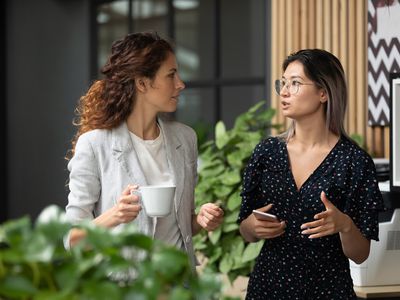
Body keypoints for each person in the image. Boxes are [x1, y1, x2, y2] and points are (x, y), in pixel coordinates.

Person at [65, 32, 224, 271]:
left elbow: (181, 226)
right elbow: (72, 239)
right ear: (141, 83)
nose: (181, 83)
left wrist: (200, 220)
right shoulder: (94, 145)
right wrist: (116, 215)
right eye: (171, 75)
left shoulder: (185, 138)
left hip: (179, 285)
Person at [238, 49, 384, 299]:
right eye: (282, 83)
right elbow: (245, 230)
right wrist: (252, 226)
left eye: (295, 83)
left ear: (323, 93)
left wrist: (345, 225)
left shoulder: (354, 162)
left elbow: (361, 254)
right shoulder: (266, 152)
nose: (284, 91)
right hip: (267, 288)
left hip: (328, 291)